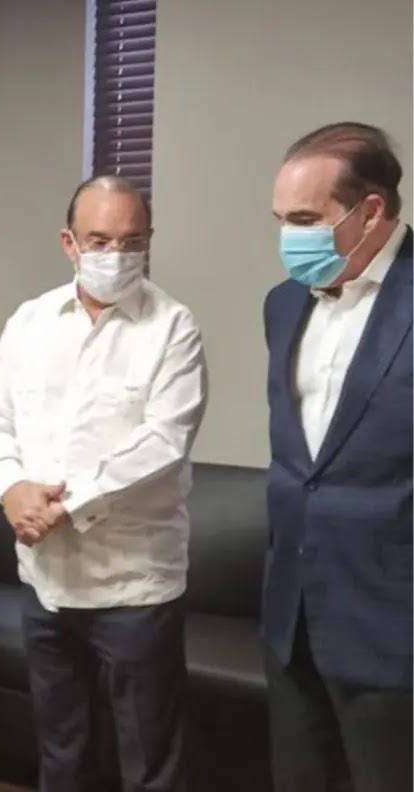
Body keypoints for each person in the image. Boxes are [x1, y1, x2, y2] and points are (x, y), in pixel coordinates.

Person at [0, 175, 208, 792]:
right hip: (45, 581)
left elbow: (163, 441)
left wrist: (63, 505)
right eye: (99, 240)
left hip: (134, 586)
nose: (115, 255)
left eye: (131, 241)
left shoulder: (173, 326)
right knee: (61, 750)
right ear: (69, 243)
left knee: (151, 760)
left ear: (149, 240)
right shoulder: (31, 320)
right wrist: (12, 488)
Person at [263, 122, 412, 792]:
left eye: (304, 220)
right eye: (280, 220)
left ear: (370, 211)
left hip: (394, 625)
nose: (287, 238)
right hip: (291, 614)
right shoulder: (282, 304)